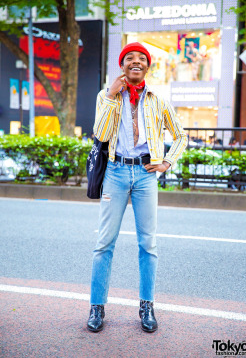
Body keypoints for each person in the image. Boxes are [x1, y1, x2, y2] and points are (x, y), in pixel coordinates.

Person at [87, 42, 187, 333]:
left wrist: (166, 162)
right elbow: (101, 134)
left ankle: (147, 306)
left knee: (148, 244)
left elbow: (181, 136)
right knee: (104, 243)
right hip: (115, 173)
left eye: (141, 58)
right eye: (129, 58)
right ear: (122, 65)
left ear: (147, 66)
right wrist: (109, 95)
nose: (135, 62)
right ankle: (96, 307)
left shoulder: (158, 99)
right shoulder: (107, 96)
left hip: (145, 175)